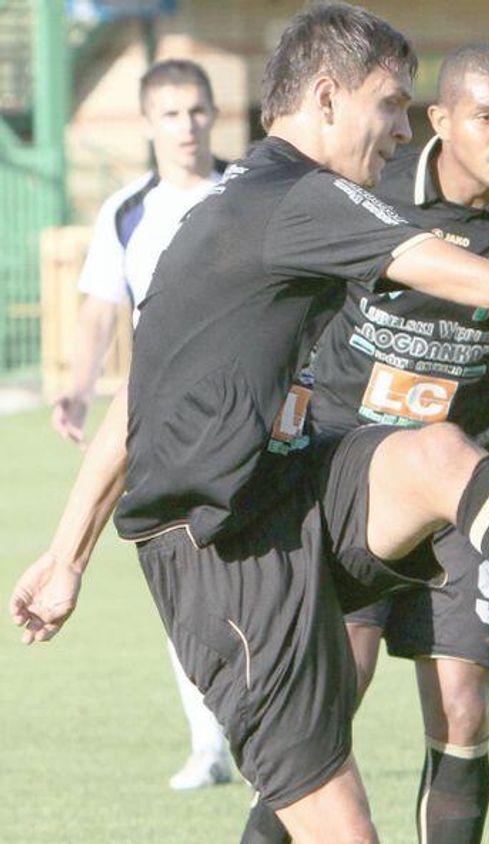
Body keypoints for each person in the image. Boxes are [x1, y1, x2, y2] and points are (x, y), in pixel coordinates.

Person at [10, 6, 489, 843]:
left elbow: (138, 401)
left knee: (437, 454)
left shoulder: (249, 203)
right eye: (390, 105)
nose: (400, 130)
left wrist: (66, 558)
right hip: (226, 559)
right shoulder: (298, 200)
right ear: (326, 98)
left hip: (299, 488)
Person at [246, 42, 489, 844]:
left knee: (463, 707)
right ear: (440, 120)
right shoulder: (368, 189)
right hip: (353, 480)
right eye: (485, 116)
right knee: (330, 703)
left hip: (462, 497)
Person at [49, 58, 233, 791]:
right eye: (170, 113)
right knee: (183, 583)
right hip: (160, 422)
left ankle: (266, 736)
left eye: (196, 111)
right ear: (147, 123)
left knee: (262, 577)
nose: (186, 126)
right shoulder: (128, 209)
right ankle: (208, 745)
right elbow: (102, 304)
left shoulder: (246, 192)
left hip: (250, 416)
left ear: (214, 114)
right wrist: (79, 385)